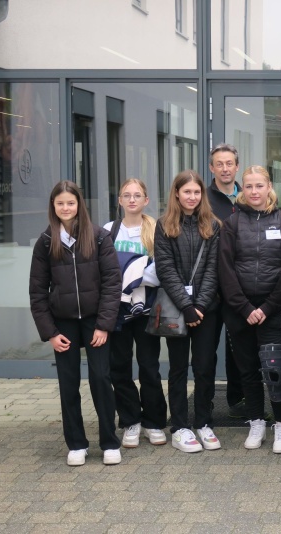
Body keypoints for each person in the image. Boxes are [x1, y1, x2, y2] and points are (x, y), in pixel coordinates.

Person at [29, 181, 122, 466]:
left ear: (79, 205)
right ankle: (77, 444)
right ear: (53, 207)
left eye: (70, 203)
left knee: (101, 379)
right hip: (63, 324)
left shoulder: (99, 237)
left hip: (95, 322)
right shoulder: (46, 242)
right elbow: (37, 292)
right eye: (60, 204)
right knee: (68, 383)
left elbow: (112, 282)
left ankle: (109, 442)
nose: (66, 208)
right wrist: (50, 333)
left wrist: (104, 325)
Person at [218, 165, 281, 453]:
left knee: (276, 370)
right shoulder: (232, 224)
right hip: (240, 313)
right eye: (249, 186)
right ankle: (255, 422)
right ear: (243, 190)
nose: (254, 191)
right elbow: (225, 268)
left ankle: (280, 426)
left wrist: (267, 307)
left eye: (259, 186)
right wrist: (243, 307)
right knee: (248, 371)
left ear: (269, 188)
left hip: (273, 312)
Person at [154, 170, 221, 453]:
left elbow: (214, 269)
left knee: (205, 367)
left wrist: (200, 306)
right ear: (177, 194)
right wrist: (186, 306)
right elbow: (165, 269)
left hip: (208, 310)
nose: (192, 197)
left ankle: (204, 422)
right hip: (176, 307)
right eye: (187, 192)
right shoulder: (163, 225)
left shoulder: (214, 225)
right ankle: (180, 426)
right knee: (179, 367)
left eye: (196, 192)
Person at [104, 179, 168, 448]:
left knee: (149, 367)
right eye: (126, 195)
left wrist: (130, 275)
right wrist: (135, 273)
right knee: (119, 367)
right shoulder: (109, 231)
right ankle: (131, 420)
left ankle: (154, 422)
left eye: (137, 195)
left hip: (146, 311)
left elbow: (161, 271)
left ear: (146, 200)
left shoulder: (156, 229)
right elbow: (105, 271)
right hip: (116, 311)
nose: (132, 200)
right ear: (119, 200)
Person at [206, 143, 244, 419]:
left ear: (236, 166)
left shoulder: (248, 197)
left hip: (238, 287)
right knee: (206, 351)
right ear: (212, 168)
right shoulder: (202, 199)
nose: (225, 168)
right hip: (208, 286)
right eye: (219, 164)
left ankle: (238, 401)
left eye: (229, 163)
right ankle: (205, 402)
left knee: (238, 349)